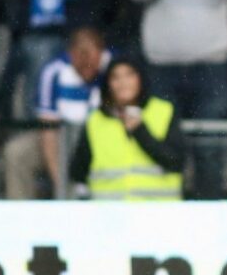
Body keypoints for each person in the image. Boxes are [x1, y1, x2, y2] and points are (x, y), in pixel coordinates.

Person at [3, 27, 109, 199]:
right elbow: (48, 130)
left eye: (93, 63)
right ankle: (20, 212)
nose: (88, 69)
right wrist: (60, 183)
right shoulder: (53, 72)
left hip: (102, 136)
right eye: (82, 65)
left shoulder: (113, 67)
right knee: (16, 153)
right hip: (61, 136)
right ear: (71, 54)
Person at [69, 57, 185, 201]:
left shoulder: (164, 111)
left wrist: (140, 131)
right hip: (109, 211)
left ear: (140, 78)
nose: (123, 83)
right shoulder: (95, 120)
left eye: (130, 75)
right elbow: (78, 171)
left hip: (157, 211)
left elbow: (176, 162)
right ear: (107, 84)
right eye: (115, 77)